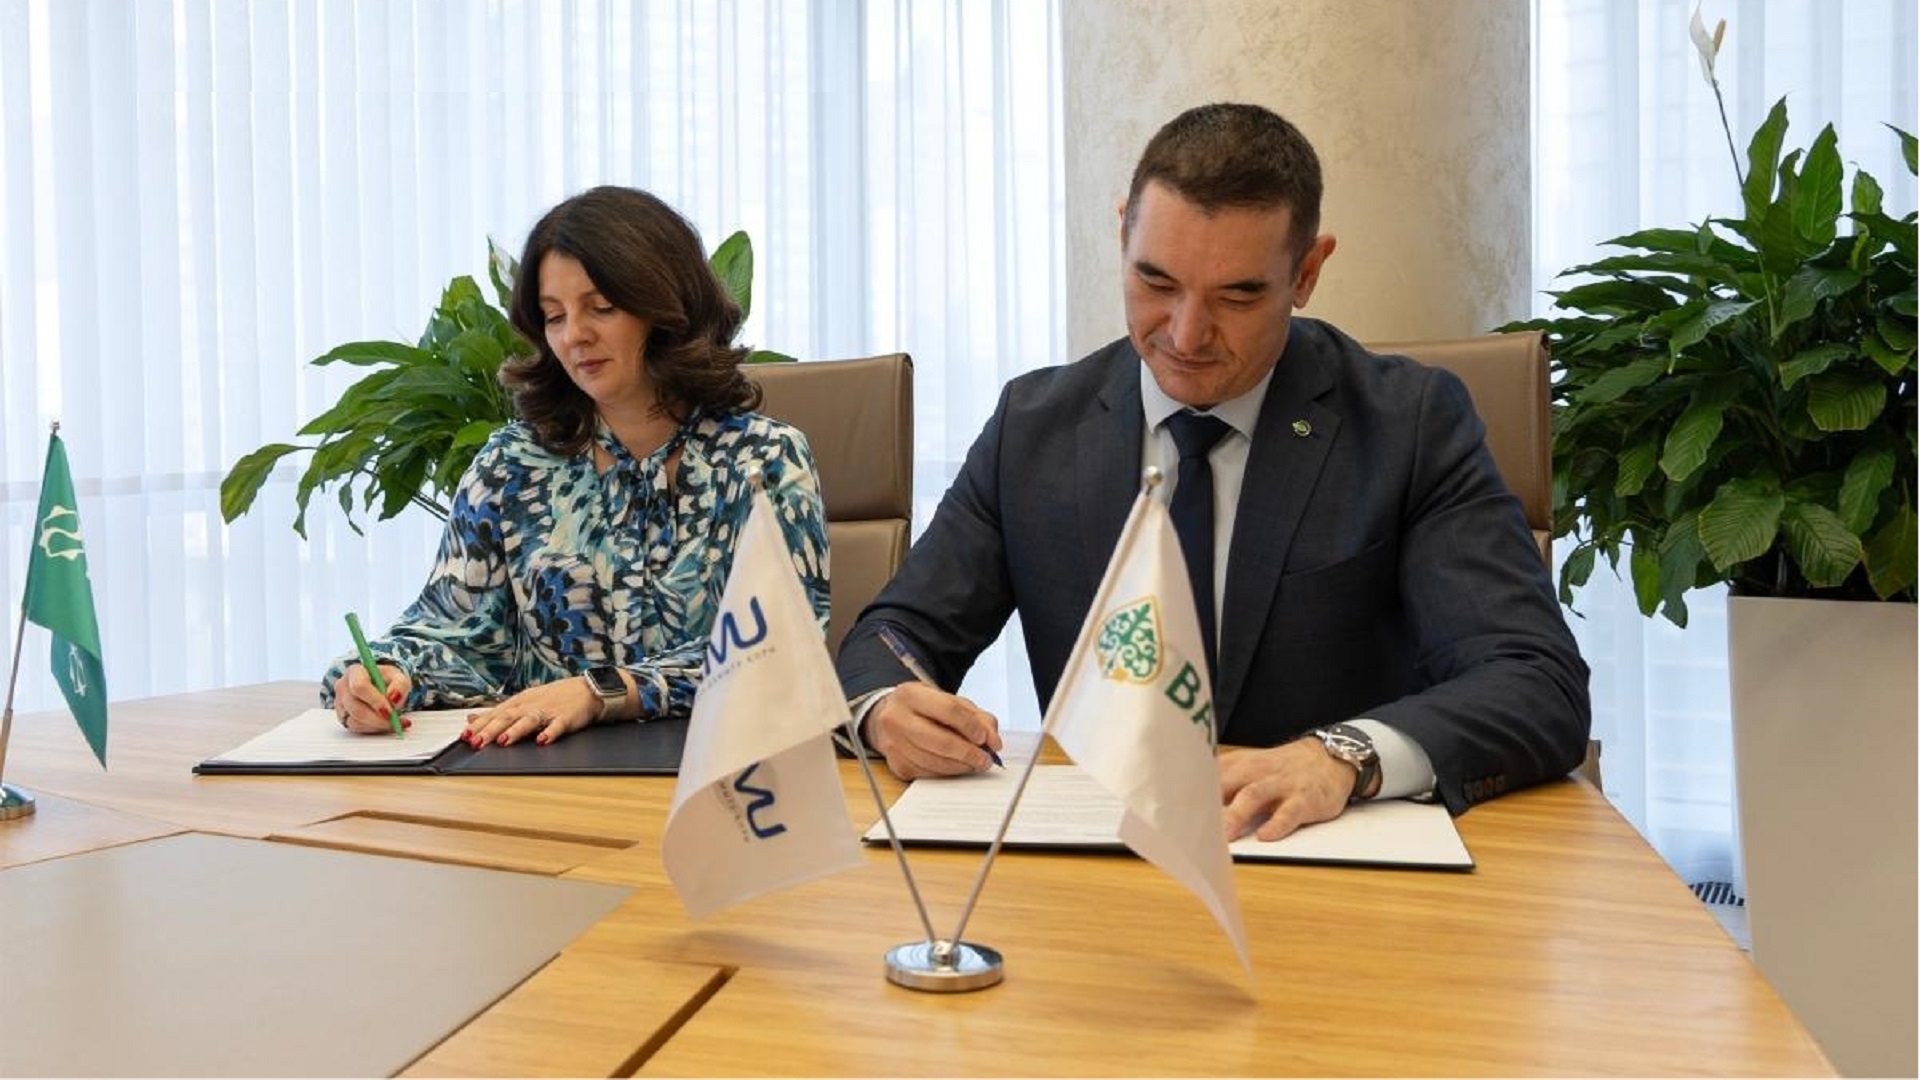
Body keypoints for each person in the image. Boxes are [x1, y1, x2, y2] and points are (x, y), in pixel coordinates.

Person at [836, 103, 1590, 840]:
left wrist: (1344, 756)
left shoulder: (1408, 425)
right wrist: (884, 706)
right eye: (1156, 282)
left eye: (1238, 295)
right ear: (1123, 233)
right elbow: (896, 636)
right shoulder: (1034, 427)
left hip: (1320, 853)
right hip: (1097, 860)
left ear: (1307, 273)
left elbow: (1534, 680)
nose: (1186, 334)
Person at [323, 185, 829, 748]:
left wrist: (601, 692)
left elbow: (779, 650)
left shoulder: (763, 459)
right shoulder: (510, 465)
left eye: (601, 308)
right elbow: (458, 632)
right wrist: (388, 673)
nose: (574, 336)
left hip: (726, 770)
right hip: (543, 772)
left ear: (666, 307)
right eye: (554, 316)